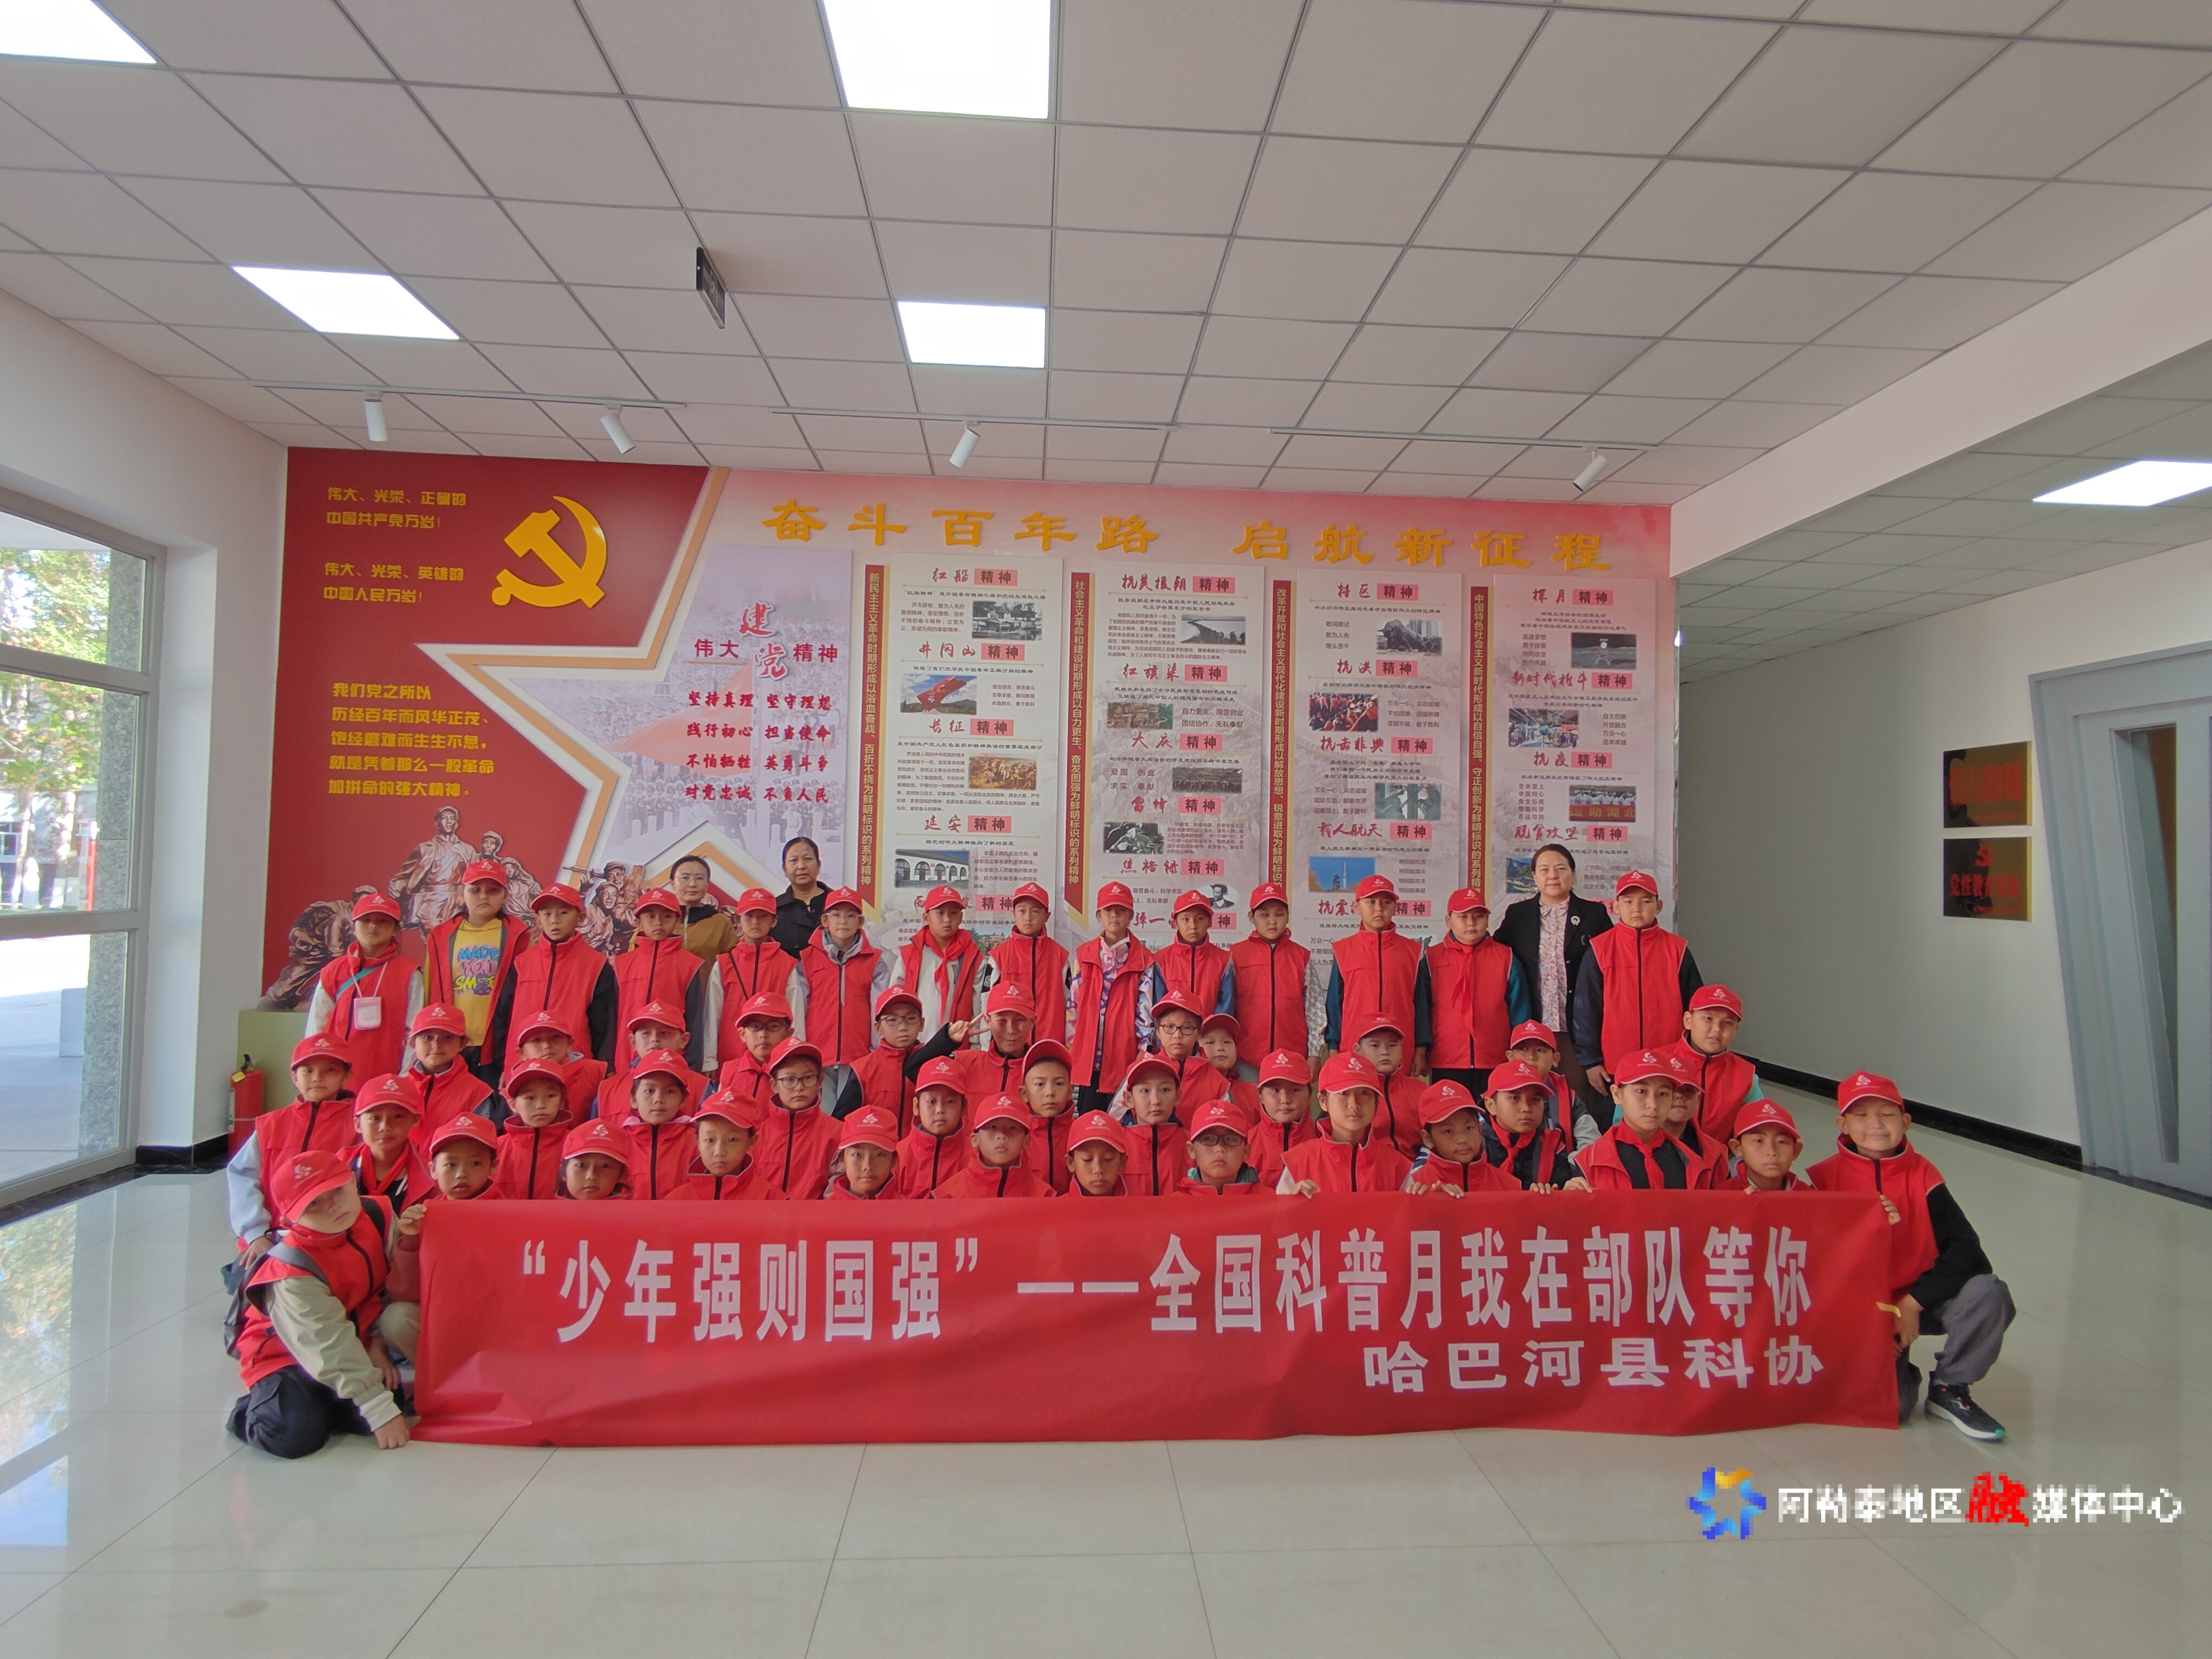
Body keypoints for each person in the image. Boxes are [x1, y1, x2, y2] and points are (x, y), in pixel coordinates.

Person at [1810, 1071, 2013, 1439]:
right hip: (1863, 1310)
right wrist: (1872, 1320)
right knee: (1894, 1407)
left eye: (1887, 1114)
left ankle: (1950, 1386)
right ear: (1843, 1125)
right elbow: (1818, 1267)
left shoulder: (1924, 1177)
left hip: (1920, 1301)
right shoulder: (1822, 1180)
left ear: (1906, 1122)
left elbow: (1969, 1253)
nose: (1876, 1124)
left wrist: (1912, 1304)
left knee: (1989, 1293)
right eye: (1861, 1115)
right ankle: (1898, 1372)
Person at [226, 1150, 408, 1458]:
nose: (333, 1206)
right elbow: (324, 1341)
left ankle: (324, 1397)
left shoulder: (378, 1216)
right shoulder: (291, 1269)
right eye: (313, 1204)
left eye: (337, 1190)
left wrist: (377, 1343)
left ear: (352, 1181)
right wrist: (379, 1410)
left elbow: (388, 1290)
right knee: (292, 1434)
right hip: (285, 1356)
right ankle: (253, 1411)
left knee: (389, 1399)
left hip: (352, 1342)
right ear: (290, 1219)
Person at [1492, 843, 1613, 1125]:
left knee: (1579, 1101)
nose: (1553, 876)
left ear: (1573, 873)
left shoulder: (1594, 914)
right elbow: (1496, 958)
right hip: (1532, 1030)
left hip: (1579, 1031)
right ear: (1534, 877)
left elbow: (1611, 966)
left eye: (1561, 869)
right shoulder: (1518, 915)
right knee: (1531, 1100)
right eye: (1544, 870)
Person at [226, 1034, 359, 1285]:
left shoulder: (359, 1123)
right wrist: (256, 1234)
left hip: (331, 1237)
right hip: (271, 1236)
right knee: (245, 1284)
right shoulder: (271, 1124)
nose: (317, 1078)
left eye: (330, 1070)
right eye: (307, 1070)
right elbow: (242, 1176)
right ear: (294, 1077)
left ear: (347, 1076)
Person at [1573, 871, 1702, 1101]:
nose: (1637, 909)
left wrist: (1692, 1056)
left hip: (1669, 1065)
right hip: (1614, 1067)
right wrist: (1591, 1062)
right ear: (1616, 906)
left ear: (1659, 906)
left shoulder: (1678, 950)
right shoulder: (1600, 949)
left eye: (1646, 902)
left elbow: (1696, 1009)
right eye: (1628, 901)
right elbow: (1585, 1010)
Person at [484, 884, 618, 1076]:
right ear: (538, 920)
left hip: (574, 1070)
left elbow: (605, 1026)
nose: (555, 920)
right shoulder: (522, 963)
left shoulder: (596, 965)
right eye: (547, 914)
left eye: (564, 913)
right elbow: (503, 1017)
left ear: (580, 918)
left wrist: (604, 1067)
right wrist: (503, 1064)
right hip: (522, 1068)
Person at [303, 892, 424, 1087]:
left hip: (388, 1081)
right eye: (366, 920)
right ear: (354, 925)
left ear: (395, 929)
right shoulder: (334, 972)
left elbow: (415, 1032)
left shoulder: (410, 974)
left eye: (383, 921)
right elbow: (316, 1028)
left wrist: (404, 1078)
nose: (373, 926)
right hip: (336, 1080)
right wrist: (316, 1074)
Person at [421, 858, 527, 1081]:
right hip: (450, 1040)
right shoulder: (441, 937)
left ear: (505, 896)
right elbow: (429, 991)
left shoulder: (519, 937)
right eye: (476, 889)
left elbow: (528, 993)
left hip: (498, 1042)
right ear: (462, 894)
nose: (484, 896)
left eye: (493, 890)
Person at [1426, 889, 1535, 1098]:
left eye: (1478, 916)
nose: (1471, 923)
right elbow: (1423, 1011)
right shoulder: (1432, 959)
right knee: (1451, 1115)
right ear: (1449, 921)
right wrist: (1422, 1050)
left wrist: (1519, 1050)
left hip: (1496, 1060)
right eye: (1463, 917)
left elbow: (1519, 1010)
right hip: (1447, 1060)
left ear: (1487, 919)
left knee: (1493, 1116)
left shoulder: (1506, 957)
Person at [1321, 874, 1430, 1073]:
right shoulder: (1343, 950)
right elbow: (1335, 1005)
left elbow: (1422, 1005)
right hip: (1354, 1049)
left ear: (1396, 907)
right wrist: (1334, 1049)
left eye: (1386, 902)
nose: (1379, 909)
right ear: (1356, 907)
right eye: (1371, 902)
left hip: (1399, 1049)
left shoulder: (1414, 952)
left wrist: (1421, 1050)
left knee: (1398, 1093)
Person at [1066, 880, 1153, 1114]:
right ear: (1099, 916)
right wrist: (1072, 1051)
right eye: (1108, 910)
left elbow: (1146, 1012)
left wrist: (1143, 1052)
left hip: (1124, 1058)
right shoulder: (1084, 956)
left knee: (1123, 1126)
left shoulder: (1145, 960)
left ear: (1131, 915)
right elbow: (1073, 1007)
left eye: (1121, 910)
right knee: (1089, 1124)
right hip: (1088, 1061)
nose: (1115, 915)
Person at [609, 887, 708, 1085]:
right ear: (638, 920)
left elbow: (695, 1019)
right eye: (650, 916)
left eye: (666, 916)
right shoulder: (622, 964)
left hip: (672, 1060)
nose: (658, 922)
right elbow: (612, 1018)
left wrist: (693, 1065)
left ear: (678, 920)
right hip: (626, 1058)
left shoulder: (689, 964)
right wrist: (609, 1063)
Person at [1573, 1050, 1709, 1191]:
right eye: (1641, 1091)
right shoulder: (1589, 1161)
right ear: (1617, 1095)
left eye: (1663, 1094)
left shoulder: (1692, 1162)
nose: (1653, 1104)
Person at [1278, 1053, 1411, 1195]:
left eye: (1364, 1093)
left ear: (1376, 1104)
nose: (1354, 1104)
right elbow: (1278, 1209)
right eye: (1343, 1093)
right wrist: (1291, 1203)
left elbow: (1412, 1209)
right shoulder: (1298, 1163)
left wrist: (1424, 1199)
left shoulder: (1398, 1167)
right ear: (1323, 1102)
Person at [1230, 881, 1314, 1081]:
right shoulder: (1235, 955)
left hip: (1292, 1055)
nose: (1272, 922)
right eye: (1264, 915)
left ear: (1288, 916)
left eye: (1279, 914)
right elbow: (1227, 1007)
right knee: (1247, 1101)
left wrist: (1315, 1053)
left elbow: (1315, 1009)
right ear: (1251, 917)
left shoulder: (1302, 957)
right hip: (1246, 1056)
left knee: (1286, 1100)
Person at [797, 886, 889, 1066]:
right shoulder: (807, 959)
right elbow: (799, 1009)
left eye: (851, 916)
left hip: (859, 1056)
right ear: (825, 920)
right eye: (836, 915)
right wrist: (800, 1049)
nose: (843, 922)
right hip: (816, 1056)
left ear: (861, 922)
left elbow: (879, 1010)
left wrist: (878, 1050)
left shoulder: (875, 961)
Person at [709, 889, 805, 1060]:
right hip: (730, 1054)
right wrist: (709, 1059)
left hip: (775, 1056)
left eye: (763, 916)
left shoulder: (787, 964)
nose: (755, 922)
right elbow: (712, 1014)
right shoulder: (724, 963)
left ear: (774, 921)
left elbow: (796, 1015)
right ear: (738, 920)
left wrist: (795, 1055)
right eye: (749, 916)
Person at [1665, 985, 1759, 1144]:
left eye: (1728, 1023)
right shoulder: (1657, 1063)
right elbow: (1625, 1122)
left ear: (1736, 1029)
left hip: (1717, 1158)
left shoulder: (1746, 1075)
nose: (1717, 1029)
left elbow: (1757, 1129)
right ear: (1688, 1020)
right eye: (1708, 1019)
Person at [979, 881, 1069, 1045]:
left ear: (1047, 916)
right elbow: (987, 1004)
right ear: (1014, 914)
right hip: (1010, 1045)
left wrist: (1070, 1046)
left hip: (1050, 1045)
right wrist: (986, 1048)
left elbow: (1071, 1006)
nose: (1028, 918)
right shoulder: (999, 956)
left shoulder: (1060, 956)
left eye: (1035, 911)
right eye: (1022, 911)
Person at [1477, 1061, 1589, 1191]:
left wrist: (1567, 1192)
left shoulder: (1553, 1145)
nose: (1526, 1108)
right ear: (1491, 1106)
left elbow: (1562, 1184)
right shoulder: (1475, 1145)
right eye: (1515, 1098)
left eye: (1535, 1099)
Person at [755, 1037, 841, 1199]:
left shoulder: (838, 1134)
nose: (799, 1087)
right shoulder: (756, 1136)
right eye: (789, 1080)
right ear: (775, 1085)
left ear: (820, 1082)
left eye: (808, 1078)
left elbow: (838, 1192)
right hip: (764, 1215)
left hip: (815, 1215)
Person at [400, 1003, 496, 1147]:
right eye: (427, 1037)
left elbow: (479, 1147)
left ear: (462, 1043)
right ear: (412, 1043)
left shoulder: (477, 1093)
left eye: (447, 1037)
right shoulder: (399, 1089)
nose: (436, 1045)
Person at [896, 884, 985, 1036]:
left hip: (958, 1044)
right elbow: (894, 1003)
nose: (947, 919)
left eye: (953, 913)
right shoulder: (909, 955)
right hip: (915, 1044)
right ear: (926, 918)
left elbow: (980, 1010)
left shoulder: (974, 958)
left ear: (961, 918)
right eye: (940, 913)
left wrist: (975, 1045)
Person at [1406, 1079, 1519, 1196]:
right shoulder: (1414, 1188)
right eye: (1449, 1131)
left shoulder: (1511, 1186)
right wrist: (1431, 1203)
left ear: (1480, 1128)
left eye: (1469, 1128)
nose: (1462, 1140)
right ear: (1428, 1139)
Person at [846, 986, 931, 1131]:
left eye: (911, 1018)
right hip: (877, 1145)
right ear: (878, 1028)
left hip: (920, 1146)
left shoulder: (931, 1063)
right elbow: (844, 1123)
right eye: (892, 1020)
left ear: (922, 1024)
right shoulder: (862, 1070)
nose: (903, 1027)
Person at [1502, 1019, 1598, 1149]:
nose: (1532, 1057)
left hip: (1564, 1160)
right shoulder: (1498, 1095)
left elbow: (1591, 1142)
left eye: (1540, 1050)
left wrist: (1573, 1161)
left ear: (1555, 1059)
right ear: (1510, 1057)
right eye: (1523, 1049)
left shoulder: (1569, 1098)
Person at [934, 1094, 1051, 1198]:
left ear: (1027, 1141)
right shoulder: (946, 1196)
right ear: (975, 1139)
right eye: (993, 1127)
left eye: (1012, 1128)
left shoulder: (1045, 1196)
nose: (1002, 1136)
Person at [620, 1050, 700, 1199]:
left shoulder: (697, 1141)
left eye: (670, 1092)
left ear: (683, 1100)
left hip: (681, 1214)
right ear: (634, 1100)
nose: (658, 1099)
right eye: (649, 1091)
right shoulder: (619, 1142)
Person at [593, 1001, 692, 1121]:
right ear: (634, 1042)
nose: (654, 1039)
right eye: (646, 1033)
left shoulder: (702, 1087)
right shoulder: (607, 1089)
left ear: (684, 1040)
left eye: (665, 1033)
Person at [1146, 890, 1234, 1023]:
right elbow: (1158, 1010)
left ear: (1210, 922)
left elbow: (1225, 1009)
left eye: (1200, 919)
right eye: (1186, 919)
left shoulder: (1224, 960)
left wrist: (1211, 1033)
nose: (1193, 926)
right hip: (1173, 1034)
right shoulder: (1160, 960)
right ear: (1176, 923)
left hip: (1209, 1035)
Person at [349, 1073, 433, 1210]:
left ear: (415, 1120)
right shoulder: (338, 1166)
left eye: (398, 1116)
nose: (385, 1127)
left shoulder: (432, 1177)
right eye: (375, 1118)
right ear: (358, 1124)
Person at [494, 1058, 573, 1199]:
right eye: (530, 1098)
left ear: (562, 1102)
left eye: (551, 1096)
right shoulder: (496, 1149)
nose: (541, 1105)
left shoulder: (575, 1146)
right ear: (513, 1105)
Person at [1349, 1012, 1424, 1159]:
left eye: (1392, 1045)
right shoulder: (1351, 1094)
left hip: (1416, 1169)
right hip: (1368, 1168)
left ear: (1401, 1049)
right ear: (1358, 1051)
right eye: (1375, 1046)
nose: (1385, 1052)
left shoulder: (1422, 1090)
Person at [685, 1087, 779, 1200]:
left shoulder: (771, 1199)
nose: (720, 1152)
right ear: (698, 1142)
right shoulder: (677, 1200)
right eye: (710, 1140)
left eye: (732, 1140)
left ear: (751, 1141)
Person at [897, 1056, 970, 1198]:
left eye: (950, 1102)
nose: (940, 1110)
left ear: (964, 1107)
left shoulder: (976, 1158)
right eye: (932, 1101)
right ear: (916, 1106)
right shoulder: (897, 1157)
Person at [1248, 1049, 1318, 1189]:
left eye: (1295, 1090)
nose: (1285, 1100)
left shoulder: (1323, 1139)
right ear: (1260, 1096)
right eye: (1275, 1090)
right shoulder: (1246, 1145)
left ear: (1310, 1095)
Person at [1117, 1054, 1186, 1196]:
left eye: (1165, 1090)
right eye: (1145, 1091)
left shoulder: (1192, 1145)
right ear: (1129, 1099)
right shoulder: (1115, 1145)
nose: (1156, 1100)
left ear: (1178, 1096)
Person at [1018, 1038, 1077, 1194]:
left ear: (1070, 1091)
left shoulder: (1081, 1135)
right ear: (1024, 1093)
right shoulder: (1017, 1137)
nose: (1050, 1092)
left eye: (1059, 1084)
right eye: (1040, 1084)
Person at [1661, 1057, 1729, 1187]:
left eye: (1689, 1090)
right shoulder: (1629, 1145)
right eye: (1671, 1089)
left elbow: (1724, 1196)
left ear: (1698, 1101)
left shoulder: (1717, 1152)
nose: (1680, 1096)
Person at [717, 991, 794, 1102]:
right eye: (755, 1027)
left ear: (788, 1034)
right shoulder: (729, 1072)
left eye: (773, 1026)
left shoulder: (796, 1074)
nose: (763, 1034)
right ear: (743, 1035)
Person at [1179, 1099, 1267, 1195]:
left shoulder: (1269, 1200)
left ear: (1246, 1151)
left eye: (1231, 1139)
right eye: (1208, 1139)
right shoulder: (1176, 1203)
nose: (1220, 1149)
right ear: (1192, 1150)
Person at [667, 853, 740, 964]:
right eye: (685, 878)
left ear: (707, 884)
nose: (693, 884)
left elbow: (733, 962)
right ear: (673, 884)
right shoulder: (660, 919)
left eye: (700, 878)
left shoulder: (720, 922)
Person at [1729, 1098, 1810, 1192]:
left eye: (1782, 1141)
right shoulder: (1723, 1194)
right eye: (1759, 1141)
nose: (1772, 1152)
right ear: (1737, 1148)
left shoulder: (1810, 1197)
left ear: (1795, 1151)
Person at [770, 834, 829, 957]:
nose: (801, 866)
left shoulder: (839, 905)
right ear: (784, 869)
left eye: (808, 859)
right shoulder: (774, 910)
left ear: (819, 866)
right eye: (794, 861)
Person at [826, 1105, 901, 1200]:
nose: (868, 1166)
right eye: (857, 1155)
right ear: (842, 1159)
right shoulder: (825, 1209)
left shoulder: (909, 1208)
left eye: (880, 1155)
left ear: (894, 1160)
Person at [558, 1118, 633, 1200]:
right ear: (563, 1172)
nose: (591, 1176)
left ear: (621, 1175)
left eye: (605, 1166)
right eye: (581, 1165)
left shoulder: (634, 1209)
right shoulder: (550, 1208)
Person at [1063, 1110, 1132, 1198]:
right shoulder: (1058, 1207)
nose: (1098, 1169)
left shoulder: (1138, 1205)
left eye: (1108, 1159)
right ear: (1071, 1163)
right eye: (1087, 1159)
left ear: (1122, 1162)